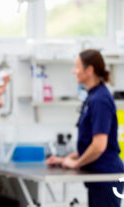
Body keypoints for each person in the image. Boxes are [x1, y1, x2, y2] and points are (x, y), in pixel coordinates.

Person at [46, 49, 124, 207]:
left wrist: (77, 163)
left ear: (89, 70)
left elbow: (99, 146)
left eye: (77, 67)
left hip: (106, 176)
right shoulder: (93, 97)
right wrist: (66, 158)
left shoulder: (100, 99)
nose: (73, 71)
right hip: (98, 176)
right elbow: (91, 144)